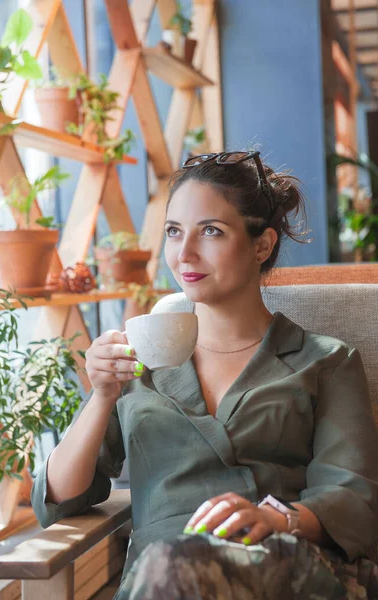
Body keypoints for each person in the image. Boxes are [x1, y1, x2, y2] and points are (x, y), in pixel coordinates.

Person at [31, 151, 378, 599]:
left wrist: (274, 518)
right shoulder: (138, 363)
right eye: (174, 232)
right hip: (160, 575)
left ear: (262, 245)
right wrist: (101, 396)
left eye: (210, 231)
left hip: (282, 563)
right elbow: (61, 499)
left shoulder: (326, 361)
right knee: (170, 568)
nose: (184, 253)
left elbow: (353, 499)